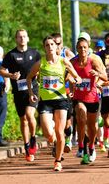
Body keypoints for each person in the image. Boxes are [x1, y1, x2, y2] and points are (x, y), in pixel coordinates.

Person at [26, 36, 81, 171]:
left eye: (52, 44)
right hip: (45, 101)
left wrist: (78, 81)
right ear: (44, 48)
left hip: (61, 100)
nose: (50, 47)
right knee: (48, 132)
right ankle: (56, 143)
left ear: (57, 47)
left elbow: (76, 76)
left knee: (59, 130)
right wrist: (31, 93)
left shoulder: (64, 61)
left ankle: (57, 161)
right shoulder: (40, 63)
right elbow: (29, 77)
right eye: (47, 45)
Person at [0, 29, 41, 162]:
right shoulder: (11, 55)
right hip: (19, 92)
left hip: (33, 89)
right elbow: (1, 70)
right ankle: (27, 145)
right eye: (19, 37)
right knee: (23, 120)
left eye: (24, 36)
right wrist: (11, 75)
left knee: (30, 115)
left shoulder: (35, 53)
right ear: (16, 39)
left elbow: (41, 68)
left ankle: (33, 137)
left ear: (28, 38)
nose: (22, 39)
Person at [70, 36, 107, 165]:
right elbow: (67, 76)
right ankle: (81, 146)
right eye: (80, 47)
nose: (83, 49)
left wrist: (98, 77)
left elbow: (105, 77)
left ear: (88, 48)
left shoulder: (94, 61)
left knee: (92, 126)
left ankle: (91, 146)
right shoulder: (73, 62)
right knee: (81, 115)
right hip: (78, 97)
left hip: (92, 97)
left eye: (85, 47)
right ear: (77, 49)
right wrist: (71, 82)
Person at [51, 32, 76, 154]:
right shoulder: (47, 57)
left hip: (65, 90)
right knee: (55, 120)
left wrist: (71, 84)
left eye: (58, 43)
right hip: (52, 92)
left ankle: (68, 139)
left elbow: (74, 68)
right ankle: (56, 143)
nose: (56, 46)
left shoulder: (67, 54)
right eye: (54, 43)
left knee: (67, 120)